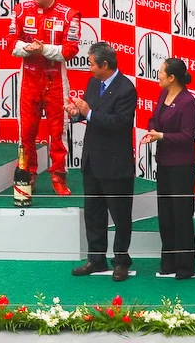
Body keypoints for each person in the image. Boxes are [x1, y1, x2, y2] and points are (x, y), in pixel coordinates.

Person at [5, 0, 81, 197]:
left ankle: (58, 177)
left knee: (58, 133)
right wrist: (26, 49)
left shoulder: (69, 15)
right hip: (29, 80)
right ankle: (28, 174)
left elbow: (70, 51)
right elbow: (10, 42)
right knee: (26, 132)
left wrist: (44, 49)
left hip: (56, 81)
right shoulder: (21, 10)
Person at [66, 42, 136, 281]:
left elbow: (120, 123)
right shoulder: (93, 83)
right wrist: (76, 114)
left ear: (104, 64)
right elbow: (88, 115)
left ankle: (121, 261)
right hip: (92, 161)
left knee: (120, 216)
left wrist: (89, 113)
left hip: (115, 165)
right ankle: (96, 259)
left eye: (91, 64)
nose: (89, 68)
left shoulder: (126, 89)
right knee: (93, 214)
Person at [140, 57, 195, 280]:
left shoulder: (188, 102)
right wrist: (153, 130)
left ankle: (185, 266)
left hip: (182, 166)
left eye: (162, 72)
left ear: (172, 77)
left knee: (181, 214)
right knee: (165, 214)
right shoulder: (163, 94)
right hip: (164, 163)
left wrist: (162, 136)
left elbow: (187, 136)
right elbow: (154, 119)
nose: (159, 75)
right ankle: (169, 262)